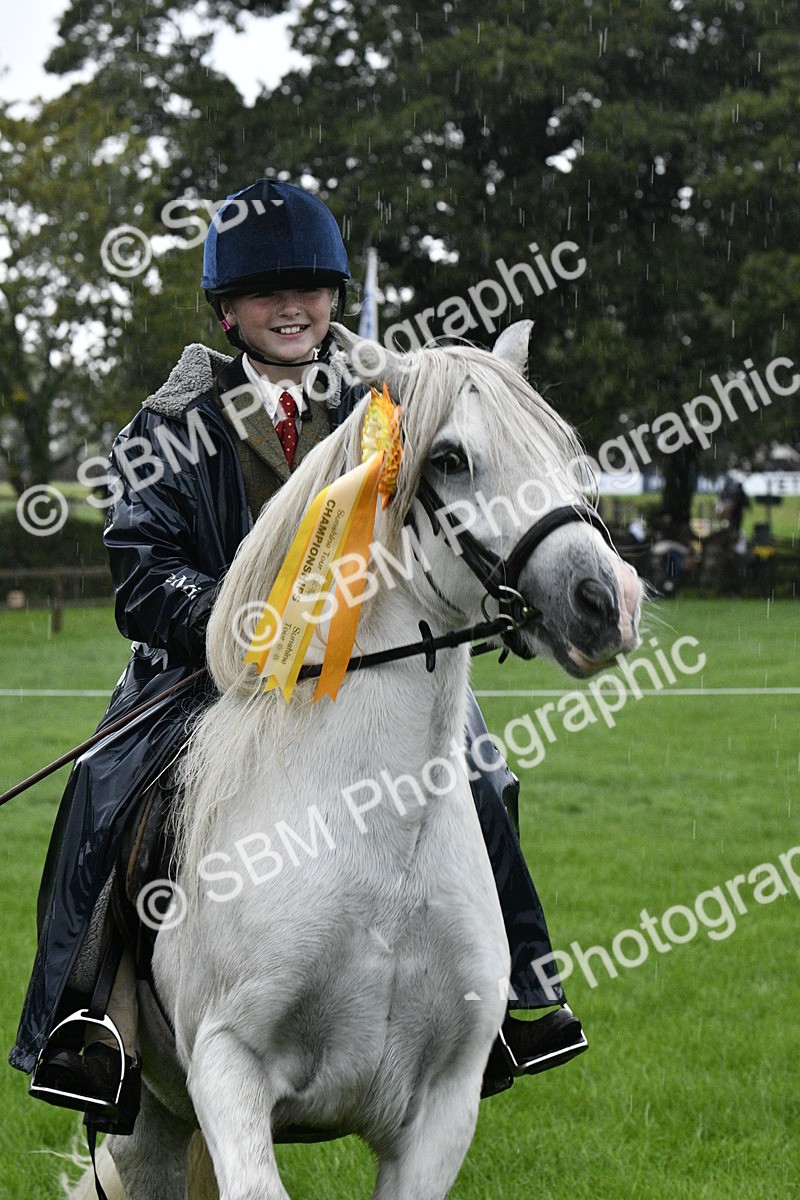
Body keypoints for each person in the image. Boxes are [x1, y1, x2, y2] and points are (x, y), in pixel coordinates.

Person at [11, 178, 586, 1128]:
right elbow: (143, 572)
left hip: (367, 669)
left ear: (332, 297)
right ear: (228, 310)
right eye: (268, 292)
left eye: (311, 288)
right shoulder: (172, 424)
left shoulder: (386, 411)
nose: (293, 308)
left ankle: (518, 996)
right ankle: (88, 1024)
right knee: (105, 792)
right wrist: (235, 627)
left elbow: (451, 523)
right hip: (205, 675)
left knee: (483, 768)